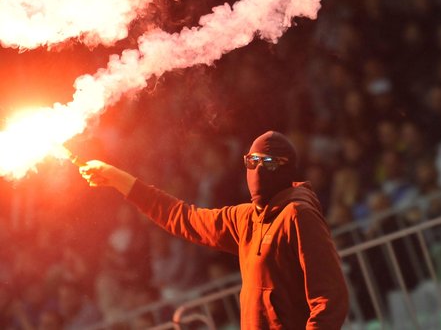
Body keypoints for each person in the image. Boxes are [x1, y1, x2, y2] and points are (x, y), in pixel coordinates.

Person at [79, 130, 349, 329]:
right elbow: (183, 218)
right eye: (251, 162)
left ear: (286, 169)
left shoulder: (298, 215)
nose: (257, 170)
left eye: (267, 164)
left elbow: (330, 298)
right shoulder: (246, 219)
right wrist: (118, 179)